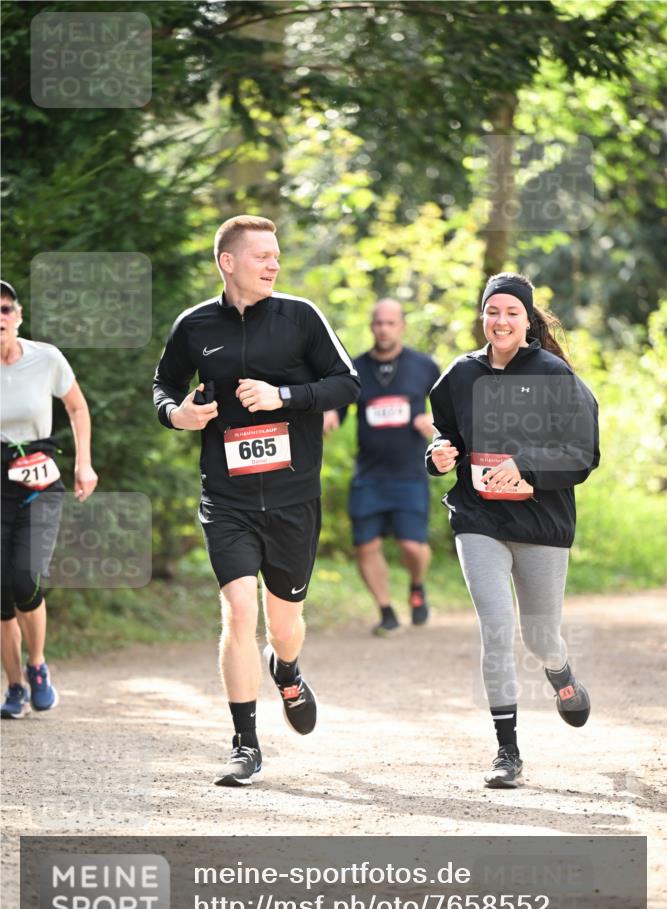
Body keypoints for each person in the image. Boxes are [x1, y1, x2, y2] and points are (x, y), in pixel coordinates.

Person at [153, 215, 360, 787]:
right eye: (262, 255)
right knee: (240, 611)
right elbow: (163, 384)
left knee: (284, 624)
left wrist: (284, 395)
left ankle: (287, 670)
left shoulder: (301, 317)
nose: (274, 263)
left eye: (276, 254)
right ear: (228, 262)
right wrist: (178, 414)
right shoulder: (195, 326)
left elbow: (347, 383)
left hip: (293, 496)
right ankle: (245, 744)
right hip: (227, 496)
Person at [427, 272, 599, 789]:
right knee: (496, 629)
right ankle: (507, 752)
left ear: (527, 320)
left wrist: (524, 464)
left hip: (541, 523)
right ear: (483, 316)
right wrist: (436, 458)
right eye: (492, 311)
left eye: (511, 313)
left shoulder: (555, 375)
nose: (500, 321)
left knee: (540, 637)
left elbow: (582, 454)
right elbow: (445, 436)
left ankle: (560, 672)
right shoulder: (460, 375)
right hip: (479, 519)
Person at [1, 279, 98, 719]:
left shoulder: (46, 358)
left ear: (19, 316)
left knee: (26, 578)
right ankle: (15, 687)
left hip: (40, 483)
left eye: (6, 309)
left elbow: (76, 407)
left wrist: (84, 464)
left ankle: (37, 664)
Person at [323, 299, 440, 635]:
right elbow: (338, 411)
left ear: (402, 325)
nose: (384, 329)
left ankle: (417, 586)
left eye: (391, 323)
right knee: (366, 546)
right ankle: (386, 610)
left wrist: (434, 421)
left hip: (410, 473)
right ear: (371, 326)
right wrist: (329, 416)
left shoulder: (424, 366)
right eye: (378, 323)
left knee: (411, 546)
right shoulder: (355, 369)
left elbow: (450, 409)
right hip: (369, 475)